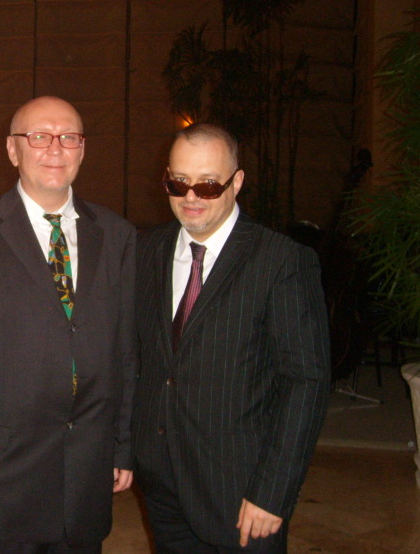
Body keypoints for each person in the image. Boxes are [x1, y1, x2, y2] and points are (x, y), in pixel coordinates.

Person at [0, 96, 137, 553]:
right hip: (2, 471)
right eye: (39, 137)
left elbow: (125, 350)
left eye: (69, 138)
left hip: (87, 470)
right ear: (12, 150)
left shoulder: (118, 235)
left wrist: (122, 445)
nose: (55, 149)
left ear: (83, 149)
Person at [132, 122, 330, 553]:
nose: (190, 197)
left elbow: (307, 383)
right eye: (178, 182)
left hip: (241, 490)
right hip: (161, 480)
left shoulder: (281, 260)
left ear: (236, 182)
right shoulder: (147, 250)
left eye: (207, 185)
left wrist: (273, 492)